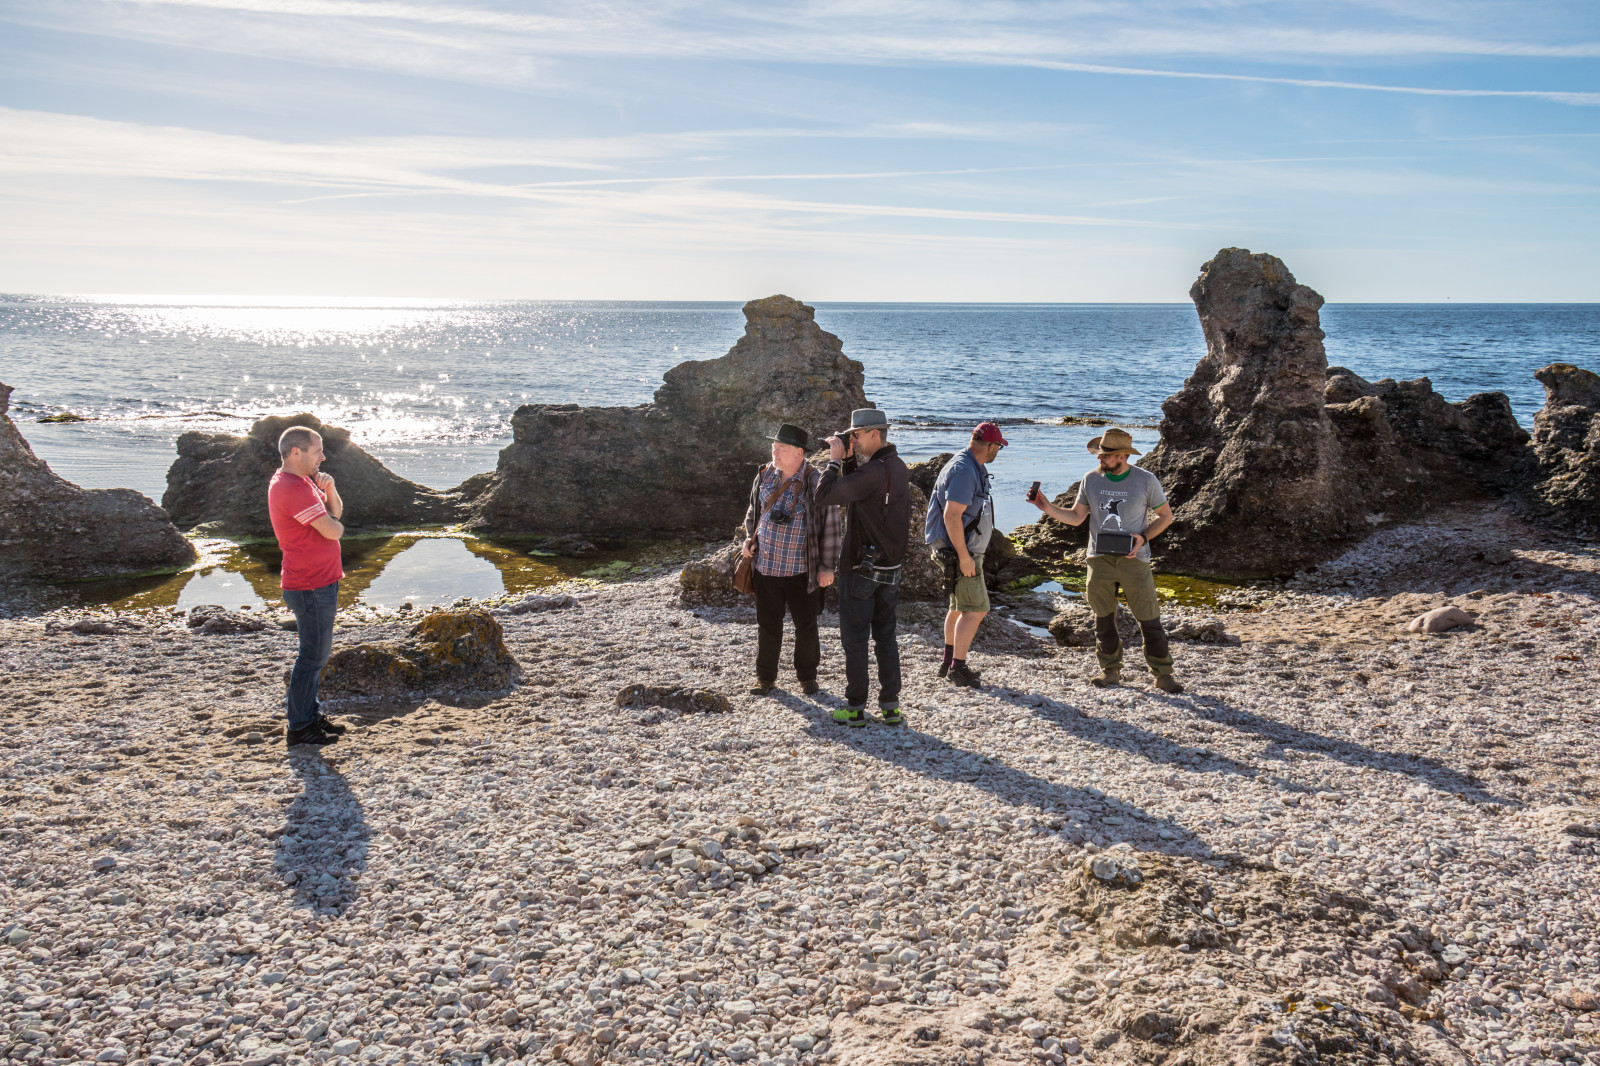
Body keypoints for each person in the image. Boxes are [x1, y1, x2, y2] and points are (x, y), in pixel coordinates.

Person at [1027, 427, 1183, 693]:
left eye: (1106, 455)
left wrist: (1142, 539)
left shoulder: (1146, 480)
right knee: (1103, 618)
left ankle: (1163, 674)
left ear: (1122, 456)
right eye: (1100, 453)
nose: (1100, 458)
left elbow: (1166, 517)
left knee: (1149, 618)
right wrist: (1047, 507)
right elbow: (1077, 517)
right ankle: (1110, 671)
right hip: (1098, 559)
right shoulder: (1091, 479)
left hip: (1135, 560)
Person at [815, 409, 911, 727]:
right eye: (850, 436)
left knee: (855, 640)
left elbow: (824, 495)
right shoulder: (896, 467)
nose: (852, 439)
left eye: (855, 434)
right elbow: (862, 490)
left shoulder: (873, 473)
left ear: (874, 434)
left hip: (860, 570)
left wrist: (834, 458)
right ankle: (891, 706)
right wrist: (851, 457)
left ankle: (855, 709)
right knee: (885, 637)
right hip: (890, 568)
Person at [740, 423, 842, 697]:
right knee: (767, 625)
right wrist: (749, 539)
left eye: (781, 448)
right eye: (774, 447)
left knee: (806, 626)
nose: (774, 451)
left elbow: (831, 526)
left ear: (799, 452)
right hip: (766, 567)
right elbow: (754, 512)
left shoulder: (815, 480)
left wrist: (827, 567)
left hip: (801, 571)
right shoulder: (764, 474)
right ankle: (765, 678)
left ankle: (807, 678)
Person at [268, 426, 350, 746]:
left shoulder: (304, 482)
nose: (323, 456)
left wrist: (329, 490)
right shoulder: (291, 488)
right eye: (317, 451)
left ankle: (309, 715)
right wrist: (333, 524)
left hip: (319, 581)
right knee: (312, 657)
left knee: (316, 655)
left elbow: (334, 514)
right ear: (295, 452)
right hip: (309, 585)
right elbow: (333, 530)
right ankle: (300, 726)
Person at [924, 422, 1007, 687]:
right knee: (977, 609)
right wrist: (964, 556)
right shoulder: (963, 470)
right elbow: (951, 515)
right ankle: (958, 669)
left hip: (961, 549)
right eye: (999, 447)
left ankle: (948, 661)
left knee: (958, 607)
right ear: (991, 446)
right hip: (959, 551)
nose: (998, 452)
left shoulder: (971, 465)